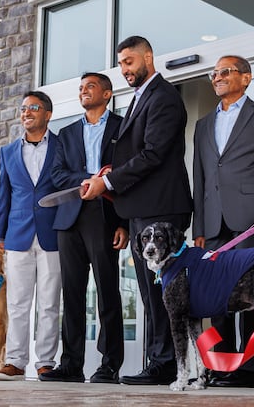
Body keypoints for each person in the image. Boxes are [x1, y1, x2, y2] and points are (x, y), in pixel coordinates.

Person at [82, 35, 192, 385]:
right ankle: (159, 360)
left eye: (129, 61)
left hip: (162, 210)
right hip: (142, 210)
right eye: (121, 64)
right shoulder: (140, 98)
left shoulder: (164, 97)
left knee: (163, 293)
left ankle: (165, 364)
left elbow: (153, 154)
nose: (124, 70)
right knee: (150, 292)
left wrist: (108, 183)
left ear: (148, 57)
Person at [192, 55, 254, 388]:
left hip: (251, 220)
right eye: (214, 73)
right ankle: (222, 366)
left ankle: (248, 369)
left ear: (246, 78)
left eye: (225, 72)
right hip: (213, 223)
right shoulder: (202, 125)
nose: (217, 77)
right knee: (218, 299)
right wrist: (198, 228)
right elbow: (199, 177)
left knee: (250, 297)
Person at [39, 72, 128, 384]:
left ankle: (109, 365)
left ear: (106, 94)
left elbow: (128, 177)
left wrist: (123, 224)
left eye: (90, 86)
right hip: (69, 219)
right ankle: (71, 365)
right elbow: (57, 174)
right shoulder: (67, 133)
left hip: (105, 215)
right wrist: (90, 178)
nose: (83, 91)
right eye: (80, 88)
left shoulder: (122, 128)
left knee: (108, 291)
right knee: (72, 295)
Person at [0, 90, 62, 381]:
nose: (26, 112)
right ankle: (16, 361)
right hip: (18, 234)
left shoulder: (63, 146)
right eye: (23, 108)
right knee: (18, 302)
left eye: (34, 107)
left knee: (49, 301)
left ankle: (45, 361)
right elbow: (4, 195)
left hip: (53, 232)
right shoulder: (8, 152)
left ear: (47, 114)